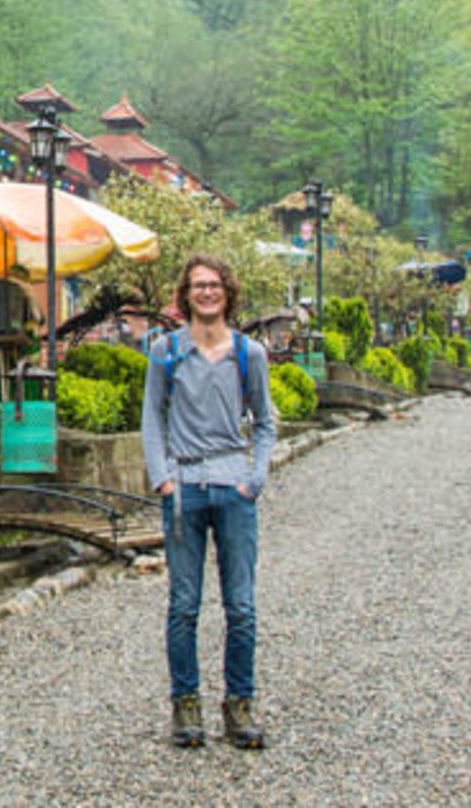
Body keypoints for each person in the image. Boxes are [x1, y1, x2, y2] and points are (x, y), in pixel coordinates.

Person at [141, 253, 276, 750]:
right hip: (185, 487)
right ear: (186, 294)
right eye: (198, 285)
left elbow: (264, 420)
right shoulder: (165, 351)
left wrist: (255, 477)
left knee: (240, 605)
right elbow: (152, 418)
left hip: (233, 486)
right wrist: (162, 479)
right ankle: (186, 706)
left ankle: (239, 706)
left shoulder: (250, 353)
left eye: (214, 285)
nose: (206, 292)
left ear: (227, 292)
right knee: (183, 605)